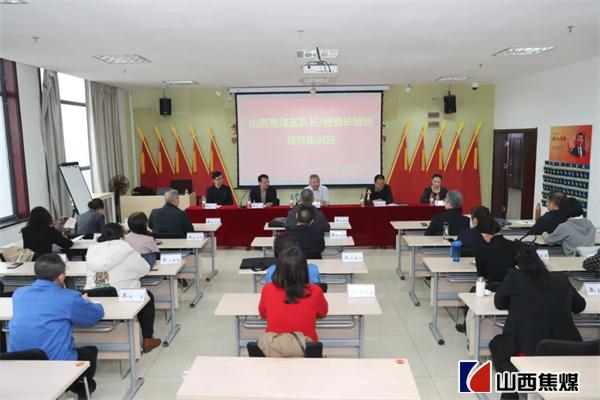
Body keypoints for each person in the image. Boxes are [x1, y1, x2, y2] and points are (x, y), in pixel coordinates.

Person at [489, 246, 586, 399]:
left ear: (517, 266)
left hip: (528, 348)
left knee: (497, 345)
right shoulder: (561, 279)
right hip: (566, 348)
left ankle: (510, 393)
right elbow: (580, 306)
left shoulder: (514, 278)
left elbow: (499, 303)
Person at [9, 254, 104, 398]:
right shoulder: (69, 297)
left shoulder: (19, 294)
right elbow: (95, 315)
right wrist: (86, 302)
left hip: (18, 362)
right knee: (90, 351)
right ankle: (79, 385)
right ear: (61, 276)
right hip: (56, 365)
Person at [85, 223, 162, 353]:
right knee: (148, 297)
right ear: (122, 235)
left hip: (93, 296)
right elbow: (144, 269)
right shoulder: (126, 250)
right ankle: (148, 339)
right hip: (121, 296)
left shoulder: (92, 251)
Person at [259, 246, 328, 342]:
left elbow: (263, 313)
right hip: (305, 346)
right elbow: (322, 312)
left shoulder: (267, 289)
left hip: (274, 345)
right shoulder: (315, 290)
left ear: (279, 268)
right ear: (304, 268)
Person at [475, 217, 517, 284]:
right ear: (500, 230)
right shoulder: (514, 245)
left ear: (484, 234)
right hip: (511, 285)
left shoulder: (482, 250)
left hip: (492, 286)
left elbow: (482, 275)